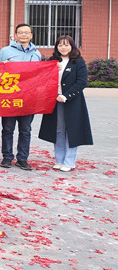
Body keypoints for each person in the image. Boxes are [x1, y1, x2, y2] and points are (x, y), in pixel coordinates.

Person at [39, 36, 93, 172]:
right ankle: (59, 160)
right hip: (55, 101)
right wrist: (52, 69)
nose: (63, 48)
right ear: (56, 47)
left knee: (71, 131)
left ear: (72, 46)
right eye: (60, 45)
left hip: (72, 102)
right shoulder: (52, 61)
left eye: (66, 45)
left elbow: (81, 82)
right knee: (58, 130)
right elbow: (42, 77)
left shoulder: (78, 62)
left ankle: (69, 161)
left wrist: (66, 96)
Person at [0, 23, 41, 170]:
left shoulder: (37, 53)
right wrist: (3, 66)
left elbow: (39, 75)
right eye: (20, 32)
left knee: (25, 130)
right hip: (10, 97)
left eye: (26, 32)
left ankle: (22, 158)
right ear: (15, 35)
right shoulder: (5, 51)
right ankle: (7, 157)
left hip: (29, 98)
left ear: (31, 35)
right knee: (7, 129)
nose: (23, 35)